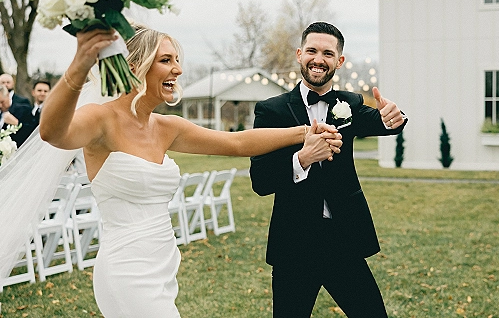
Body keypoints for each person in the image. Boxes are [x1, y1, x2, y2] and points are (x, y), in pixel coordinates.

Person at [39, 23, 343, 317]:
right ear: (136, 66)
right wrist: (80, 64)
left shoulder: (166, 126)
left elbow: (237, 143)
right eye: (166, 60)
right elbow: (52, 132)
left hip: (162, 264)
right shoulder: (99, 120)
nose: (178, 70)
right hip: (126, 268)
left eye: (177, 60)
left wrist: (307, 131)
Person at [249, 22, 408, 318]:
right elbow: (260, 180)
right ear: (299, 54)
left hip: (343, 240)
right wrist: (302, 159)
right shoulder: (271, 110)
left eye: (327, 53)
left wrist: (394, 117)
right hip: (294, 244)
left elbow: (384, 122)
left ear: (339, 61)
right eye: (311, 50)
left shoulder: (349, 103)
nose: (318, 59)